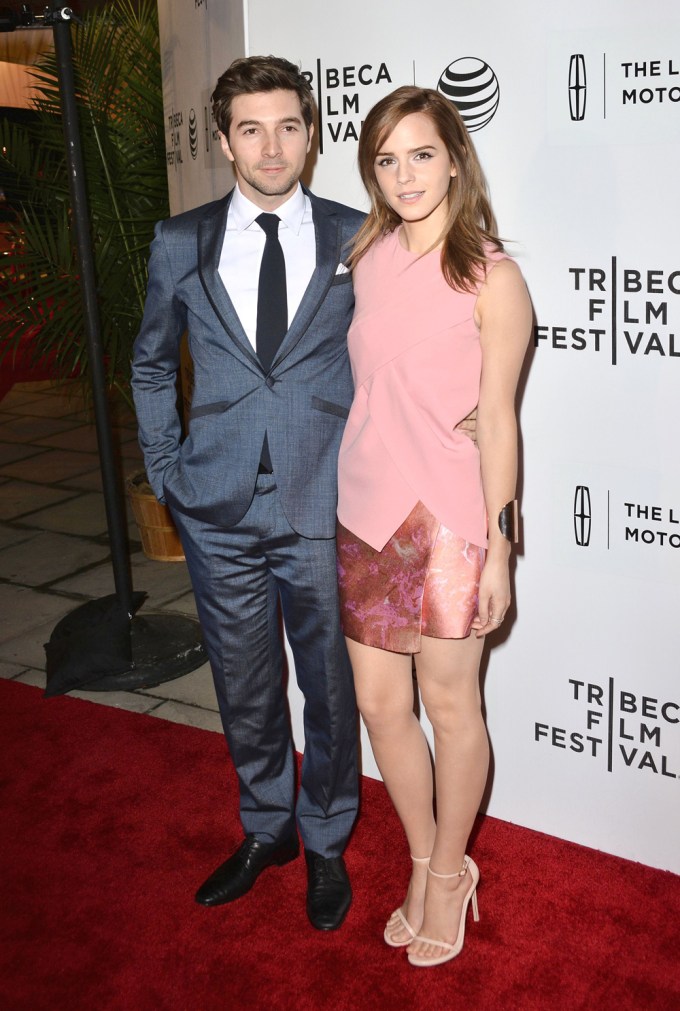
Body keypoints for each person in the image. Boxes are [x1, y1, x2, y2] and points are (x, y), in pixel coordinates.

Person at [131, 56, 364, 931]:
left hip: (321, 501)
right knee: (245, 681)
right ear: (224, 139)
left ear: (311, 133)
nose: (273, 146)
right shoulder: (180, 241)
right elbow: (152, 363)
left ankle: (329, 838)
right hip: (216, 505)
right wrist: (167, 472)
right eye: (252, 128)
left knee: (330, 686)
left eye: (290, 126)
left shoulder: (357, 234)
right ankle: (267, 828)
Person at [336, 86, 531, 966]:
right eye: (386, 159)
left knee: (451, 706)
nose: (405, 174)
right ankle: (421, 859)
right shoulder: (368, 255)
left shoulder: (495, 277)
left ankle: (452, 872)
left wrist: (501, 550)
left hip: (451, 519)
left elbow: (497, 419)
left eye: (420, 153)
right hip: (366, 507)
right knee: (383, 707)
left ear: (455, 157)